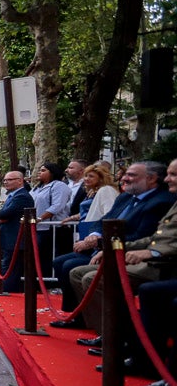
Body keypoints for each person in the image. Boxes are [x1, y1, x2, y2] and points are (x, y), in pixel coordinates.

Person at [70, 159, 177, 372]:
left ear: (150, 179)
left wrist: (151, 252)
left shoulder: (161, 200)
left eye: (173, 175)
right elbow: (153, 238)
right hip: (144, 256)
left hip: (162, 264)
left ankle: (122, 341)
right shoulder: (164, 200)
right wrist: (112, 247)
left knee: (97, 278)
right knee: (77, 271)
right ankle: (108, 333)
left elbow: (157, 243)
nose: (168, 179)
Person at [49, 161, 174, 327]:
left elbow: (145, 236)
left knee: (83, 273)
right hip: (113, 249)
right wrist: (94, 235)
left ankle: (115, 332)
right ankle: (93, 323)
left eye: (131, 175)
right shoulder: (125, 197)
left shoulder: (161, 201)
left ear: (151, 179)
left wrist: (107, 246)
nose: (124, 178)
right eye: (126, 174)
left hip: (145, 260)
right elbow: (104, 220)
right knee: (70, 267)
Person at [0, 169, 34, 292]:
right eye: (5, 180)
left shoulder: (21, 196)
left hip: (16, 238)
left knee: (11, 268)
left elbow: (5, 213)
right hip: (10, 238)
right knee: (8, 266)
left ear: (19, 181)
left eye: (9, 180)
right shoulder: (13, 195)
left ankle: (9, 291)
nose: (6, 182)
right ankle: (8, 289)